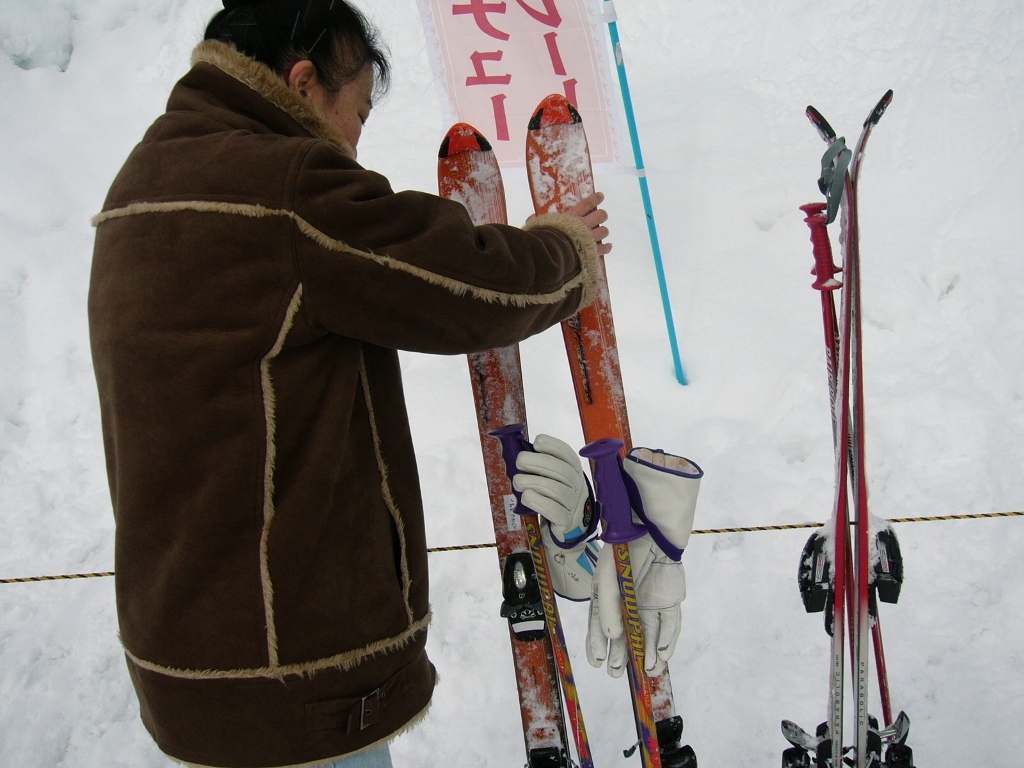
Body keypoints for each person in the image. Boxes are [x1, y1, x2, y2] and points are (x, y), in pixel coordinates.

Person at [87, 1, 610, 766]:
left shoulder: (138, 184)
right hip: (296, 670)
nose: (356, 138)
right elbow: (457, 280)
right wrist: (563, 251)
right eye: (358, 110)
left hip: (183, 660)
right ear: (303, 84)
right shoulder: (285, 184)